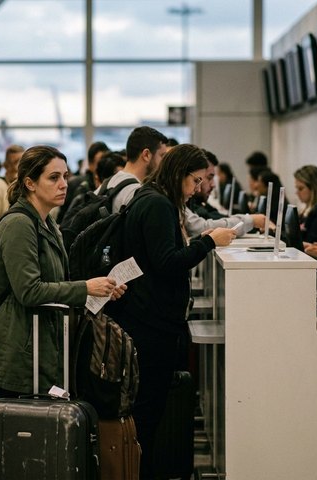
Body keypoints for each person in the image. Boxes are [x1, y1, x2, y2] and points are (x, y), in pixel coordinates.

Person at [112, 144, 236, 478]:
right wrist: (208, 242)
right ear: (178, 174)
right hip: (151, 323)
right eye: (195, 180)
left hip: (148, 318)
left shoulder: (154, 199)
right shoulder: (157, 205)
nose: (198, 189)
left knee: (149, 410)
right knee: (148, 412)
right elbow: (166, 263)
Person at [0, 145, 126, 398]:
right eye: (53, 178)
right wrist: (85, 288)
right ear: (30, 183)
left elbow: (56, 282)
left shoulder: (47, 221)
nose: (64, 184)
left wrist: (99, 289)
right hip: (18, 350)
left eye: (65, 176)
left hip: (40, 348)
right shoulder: (19, 224)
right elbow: (29, 291)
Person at [187, 149, 266, 233]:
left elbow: (213, 215)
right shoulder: (180, 203)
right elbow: (203, 226)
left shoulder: (194, 202)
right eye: (197, 180)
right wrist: (251, 221)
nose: (213, 184)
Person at [96, 126, 169, 215]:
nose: (164, 163)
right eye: (162, 156)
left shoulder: (108, 183)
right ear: (146, 155)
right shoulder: (135, 193)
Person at [57, 141, 109, 222]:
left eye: (106, 162)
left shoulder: (110, 185)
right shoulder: (76, 184)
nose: (104, 166)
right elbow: (64, 216)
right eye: (100, 162)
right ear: (90, 164)